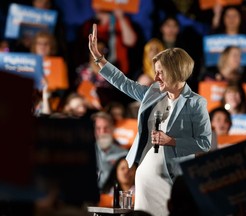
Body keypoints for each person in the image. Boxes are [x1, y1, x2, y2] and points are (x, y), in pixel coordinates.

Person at [88, 24, 212, 216]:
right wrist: (99, 59)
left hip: (171, 181)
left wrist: (171, 141)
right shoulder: (153, 93)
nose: (156, 77)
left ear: (176, 71)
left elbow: (204, 143)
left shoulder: (196, 103)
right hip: (145, 180)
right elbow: (124, 83)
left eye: (160, 72)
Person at [92, 111, 128, 190]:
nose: (102, 132)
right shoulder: (85, 153)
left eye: (106, 128)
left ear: (112, 128)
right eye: (98, 128)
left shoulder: (124, 154)